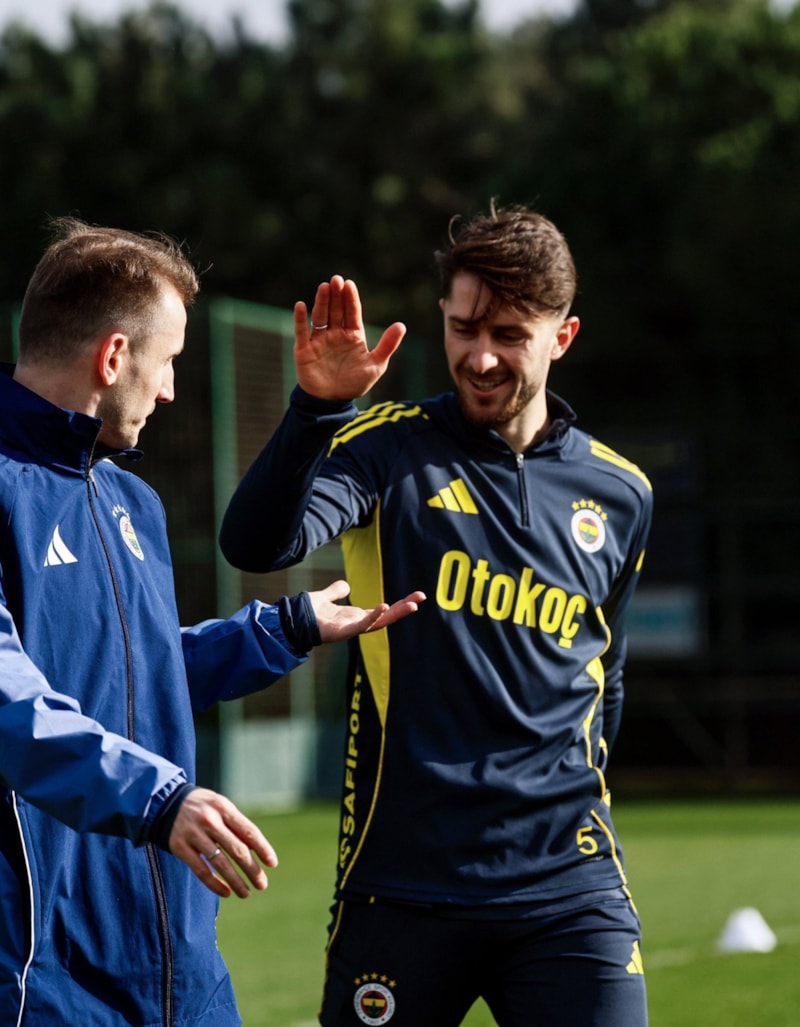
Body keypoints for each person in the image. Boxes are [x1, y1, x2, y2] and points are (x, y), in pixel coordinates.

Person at [219, 202, 653, 1026]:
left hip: (570, 889)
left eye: (509, 335)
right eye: (463, 329)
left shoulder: (622, 492)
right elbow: (256, 544)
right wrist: (315, 409)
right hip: (403, 884)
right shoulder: (386, 449)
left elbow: (608, 673)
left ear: (562, 336)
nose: (480, 357)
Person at [0, 217, 424, 1026]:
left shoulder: (132, 500)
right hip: (42, 975)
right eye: (167, 362)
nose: (168, 390)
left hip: (183, 969)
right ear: (114, 356)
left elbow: (136, 677)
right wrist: (160, 800)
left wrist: (282, 629)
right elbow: (12, 705)